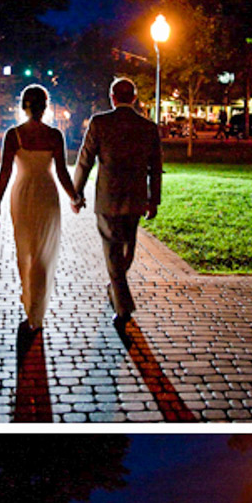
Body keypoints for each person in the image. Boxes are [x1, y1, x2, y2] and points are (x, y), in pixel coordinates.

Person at [72, 78, 164, 334]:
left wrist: (76, 193)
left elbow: (85, 160)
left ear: (112, 97)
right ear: (133, 98)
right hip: (135, 197)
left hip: (108, 197)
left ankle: (120, 298)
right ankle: (120, 296)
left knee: (113, 250)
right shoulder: (147, 127)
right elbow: (155, 168)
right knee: (127, 247)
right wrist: (153, 199)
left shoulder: (100, 123)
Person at [0, 84, 81, 343]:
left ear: (23, 106)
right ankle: (36, 311)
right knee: (43, 253)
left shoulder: (13, 135)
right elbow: (62, 172)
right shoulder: (55, 136)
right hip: (47, 194)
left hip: (22, 194)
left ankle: (31, 304)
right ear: (45, 106)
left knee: (26, 251)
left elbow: (5, 172)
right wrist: (74, 196)